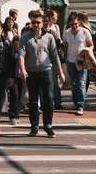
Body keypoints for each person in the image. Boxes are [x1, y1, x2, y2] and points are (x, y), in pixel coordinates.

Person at [18, 10, 65, 138]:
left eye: (38, 22)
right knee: (33, 101)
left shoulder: (49, 37)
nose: (36, 25)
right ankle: (34, 126)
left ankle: (48, 125)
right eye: (33, 22)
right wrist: (22, 69)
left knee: (49, 99)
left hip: (46, 71)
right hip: (32, 73)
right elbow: (21, 55)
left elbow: (55, 56)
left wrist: (60, 72)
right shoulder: (25, 37)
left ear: (42, 23)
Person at [63, 13, 93, 116]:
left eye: (75, 24)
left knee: (81, 83)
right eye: (71, 24)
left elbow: (91, 45)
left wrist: (86, 50)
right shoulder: (66, 33)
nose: (74, 26)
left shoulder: (85, 32)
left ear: (79, 22)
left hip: (81, 60)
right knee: (74, 83)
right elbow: (65, 46)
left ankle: (80, 105)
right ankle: (76, 103)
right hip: (70, 60)